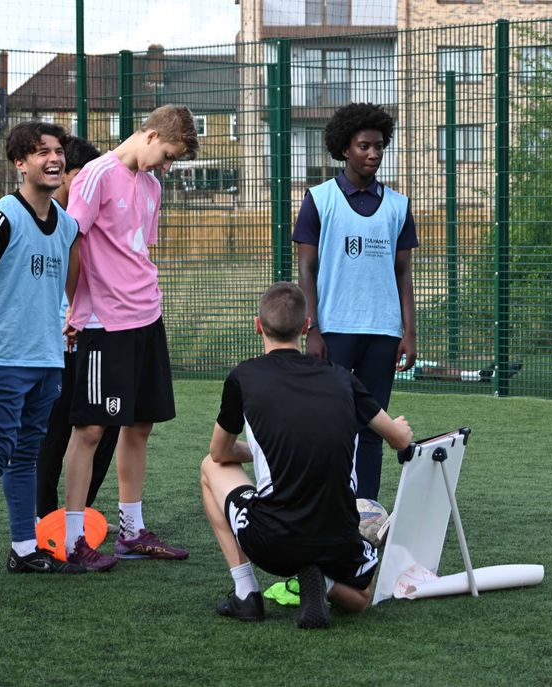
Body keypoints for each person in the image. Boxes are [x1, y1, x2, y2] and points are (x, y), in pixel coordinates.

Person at [201, 282, 413, 628]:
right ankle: (323, 580)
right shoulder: (342, 378)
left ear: (258, 326)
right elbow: (398, 439)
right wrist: (400, 430)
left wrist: (260, 453)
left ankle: (246, 593)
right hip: (338, 538)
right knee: (361, 599)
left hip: (274, 543)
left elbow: (219, 451)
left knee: (210, 466)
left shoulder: (244, 377)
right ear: (305, 326)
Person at [60, 104, 200, 569]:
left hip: (146, 316)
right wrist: (69, 309)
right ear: (151, 133)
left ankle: (131, 531)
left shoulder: (153, 186)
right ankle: (74, 538)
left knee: (141, 423)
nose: (167, 166)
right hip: (103, 323)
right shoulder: (95, 176)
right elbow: (70, 243)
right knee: (92, 429)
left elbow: (135, 250)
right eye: (167, 154)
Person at [0, 121, 88, 579]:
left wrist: (64, 323)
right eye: (41, 152)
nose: (54, 159)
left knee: (27, 455)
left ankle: (24, 548)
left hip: (47, 359)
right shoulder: (0, 217)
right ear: (20, 163)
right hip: (3, 357)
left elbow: (66, 288)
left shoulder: (68, 224)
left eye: (58, 151)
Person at [293, 102, 418, 501]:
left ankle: (366, 512)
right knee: (330, 423)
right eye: (364, 145)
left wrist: (408, 332)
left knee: (372, 425)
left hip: (382, 332)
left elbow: (403, 274)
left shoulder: (398, 206)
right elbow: (306, 269)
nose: (373, 154)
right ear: (344, 148)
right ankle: (326, 504)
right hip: (333, 330)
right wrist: (311, 328)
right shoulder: (320, 199)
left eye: (379, 146)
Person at [35, 135, 118, 519]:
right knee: (53, 432)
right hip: (54, 346)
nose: (90, 186)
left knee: (107, 425)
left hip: (96, 337)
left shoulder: (93, 222)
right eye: (82, 177)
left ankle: (79, 512)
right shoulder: (38, 218)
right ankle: (43, 516)